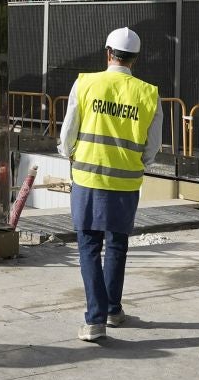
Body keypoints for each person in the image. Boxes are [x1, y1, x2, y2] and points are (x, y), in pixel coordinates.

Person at [57, 27, 161, 342]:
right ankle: (113, 310)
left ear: (108, 53)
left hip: (88, 179)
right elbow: (152, 147)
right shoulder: (148, 93)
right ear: (135, 59)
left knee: (89, 247)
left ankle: (94, 319)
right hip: (127, 182)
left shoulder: (85, 83)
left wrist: (69, 155)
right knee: (117, 244)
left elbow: (67, 134)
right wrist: (136, 164)